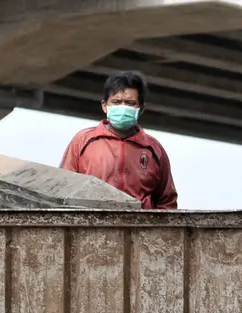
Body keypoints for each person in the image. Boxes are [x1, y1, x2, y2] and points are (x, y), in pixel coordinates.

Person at [59, 71, 178, 210]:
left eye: (130, 103)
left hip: (139, 229)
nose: (122, 107)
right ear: (104, 105)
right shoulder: (83, 141)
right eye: (116, 102)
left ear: (141, 109)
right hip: (92, 228)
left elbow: (167, 201)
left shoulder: (154, 150)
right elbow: (63, 187)